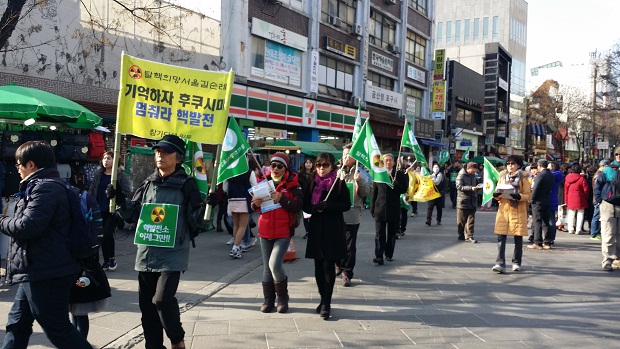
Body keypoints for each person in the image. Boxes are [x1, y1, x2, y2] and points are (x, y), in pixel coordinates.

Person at [109, 135, 207, 349]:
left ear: (179, 158)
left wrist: (208, 207)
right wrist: (118, 200)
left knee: (161, 300)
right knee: (147, 307)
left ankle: (177, 340)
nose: (160, 155)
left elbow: (196, 221)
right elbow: (132, 214)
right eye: (157, 151)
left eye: (166, 152)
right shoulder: (148, 183)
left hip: (173, 254)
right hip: (146, 253)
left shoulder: (187, 185)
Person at [0, 140, 93, 348]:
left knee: (58, 329)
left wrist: (1, 220)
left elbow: (28, 226)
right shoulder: (46, 185)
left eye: (18, 164)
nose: (17, 169)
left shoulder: (45, 188)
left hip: (47, 270)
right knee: (17, 323)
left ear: (31, 165)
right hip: (36, 268)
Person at [251, 153, 303, 313]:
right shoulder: (263, 182)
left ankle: (282, 298)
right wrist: (255, 203)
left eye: (279, 166)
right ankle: (268, 300)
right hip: (265, 230)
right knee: (267, 267)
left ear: (285, 168)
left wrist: (282, 198)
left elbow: (297, 206)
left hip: (283, 232)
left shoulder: (293, 185)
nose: (275, 169)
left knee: (274, 264)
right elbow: (255, 207)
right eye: (273, 165)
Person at [303, 152, 350, 320]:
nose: (321, 169)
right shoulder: (311, 183)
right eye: (319, 165)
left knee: (328, 267)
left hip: (333, 229)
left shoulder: (338, 182)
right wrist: (316, 208)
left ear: (332, 166)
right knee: (317, 267)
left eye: (325, 165)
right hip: (316, 228)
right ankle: (322, 298)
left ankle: (326, 303)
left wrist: (329, 205)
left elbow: (346, 204)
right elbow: (306, 206)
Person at [88, 150, 131, 271]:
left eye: (109, 158)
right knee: (100, 236)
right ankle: (106, 261)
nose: (105, 161)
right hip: (98, 209)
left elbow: (127, 194)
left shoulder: (121, 175)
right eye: (104, 158)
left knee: (107, 234)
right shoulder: (98, 174)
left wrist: (117, 193)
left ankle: (111, 258)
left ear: (115, 161)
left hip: (112, 211)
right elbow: (92, 190)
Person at [336, 144, 371, 287]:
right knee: (337, 242)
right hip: (337, 213)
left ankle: (347, 272)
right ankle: (338, 263)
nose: (346, 156)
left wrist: (360, 181)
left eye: (349, 154)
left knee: (350, 245)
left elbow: (366, 193)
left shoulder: (361, 172)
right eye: (344, 154)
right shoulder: (337, 172)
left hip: (352, 214)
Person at [491, 155, 530, 273]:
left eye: (512, 164)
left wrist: (518, 196)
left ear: (518, 165)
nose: (510, 166)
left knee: (518, 238)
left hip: (517, 211)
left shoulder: (523, 178)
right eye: (508, 164)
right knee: (500, 238)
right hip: (504, 211)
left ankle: (516, 262)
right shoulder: (502, 176)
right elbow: (498, 192)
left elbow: (528, 195)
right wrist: (496, 195)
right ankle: (499, 263)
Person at [371, 154, 408, 263]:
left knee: (391, 234)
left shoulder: (400, 175)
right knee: (379, 234)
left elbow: (404, 189)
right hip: (380, 208)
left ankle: (389, 254)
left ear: (394, 162)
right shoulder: (378, 174)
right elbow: (374, 193)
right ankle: (379, 255)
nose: (388, 162)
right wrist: (372, 207)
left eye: (390, 161)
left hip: (394, 208)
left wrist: (396, 184)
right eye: (386, 160)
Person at [69, 253, 111, 339]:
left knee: (80, 315)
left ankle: (80, 344)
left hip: (81, 272)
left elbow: (91, 258)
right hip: (72, 272)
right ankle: (77, 343)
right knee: (75, 314)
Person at [594, 151, 620, 271]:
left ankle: (616, 259)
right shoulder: (608, 170)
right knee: (608, 233)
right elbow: (598, 186)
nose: (618, 156)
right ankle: (608, 259)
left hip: (608, 204)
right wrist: (600, 201)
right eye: (617, 154)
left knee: (615, 234)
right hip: (608, 205)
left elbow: (598, 186)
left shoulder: (607, 170)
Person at [225, 165, 257, 258]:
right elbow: (254, 187)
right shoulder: (249, 171)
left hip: (232, 199)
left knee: (236, 225)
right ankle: (235, 248)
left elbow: (225, 188)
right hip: (245, 200)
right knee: (243, 226)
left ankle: (236, 246)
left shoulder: (228, 170)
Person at [529, 159, 555, 250]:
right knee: (546, 222)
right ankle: (547, 241)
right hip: (547, 199)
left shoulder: (541, 175)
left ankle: (537, 242)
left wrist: (532, 199)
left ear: (539, 166)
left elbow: (536, 188)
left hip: (538, 200)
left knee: (537, 221)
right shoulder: (551, 175)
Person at [456, 162, 483, 243]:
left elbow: (474, 186)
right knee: (461, 221)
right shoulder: (461, 175)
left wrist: (478, 187)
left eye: (475, 171)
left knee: (471, 220)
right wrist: (471, 188)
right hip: (463, 200)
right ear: (468, 168)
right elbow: (459, 186)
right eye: (473, 171)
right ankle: (461, 234)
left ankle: (470, 236)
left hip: (472, 200)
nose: (474, 172)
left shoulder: (473, 176)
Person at [564, 164, 590, 235]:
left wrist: (566, 200)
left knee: (571, 214)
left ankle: (570, 229)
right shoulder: (582, 179)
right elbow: (586, 189)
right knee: (580, 213)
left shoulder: (567, 178)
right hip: (580, 198)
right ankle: (578, 229)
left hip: (570, 197)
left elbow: (566, 190)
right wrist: (586, 197)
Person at [590, 160, 608, 240]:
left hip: (597, 198)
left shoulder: (599, 174)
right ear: (602, 166)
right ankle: (594, 233)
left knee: (597, 216)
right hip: (597, 199)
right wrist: (599, 199)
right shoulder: (599, 175)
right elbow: (597, 188)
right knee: (596, 216)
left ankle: (595, 232)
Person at [547, 161, 564, 245]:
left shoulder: (551, 175)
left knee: (550, 220)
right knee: (552, 219)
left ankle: (549, 238)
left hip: (549, 197)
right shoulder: (559, 175)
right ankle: (551, 237)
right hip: (554, 197)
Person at [298, 157, 314, 239]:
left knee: (312, 216)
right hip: (304, 197)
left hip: (313, 198)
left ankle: (311, 231)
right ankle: (307, 231)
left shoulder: (315, 174)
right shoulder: (300, 174)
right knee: (305, 216)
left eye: (310, 163)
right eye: (307, 163)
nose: (308, 164)